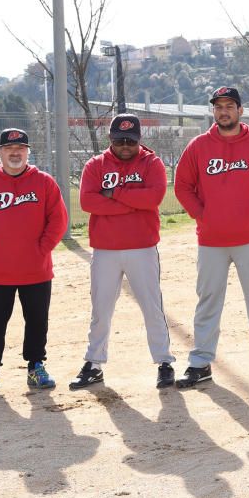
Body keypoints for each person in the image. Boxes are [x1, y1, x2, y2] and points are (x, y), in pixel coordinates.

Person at [173, 86, 249, 387]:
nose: (223, 111)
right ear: (214, 111)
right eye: (218, 106)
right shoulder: (198, 146)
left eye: (229, 106)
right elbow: (182, 185)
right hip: (211, 240)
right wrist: (202, 214)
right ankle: (201, 362)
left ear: (240, 110)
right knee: (208, 300)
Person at [69, 114, 176, 390]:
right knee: (101, 309)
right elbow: (88, 202)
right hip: (105, 249)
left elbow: (153, 198)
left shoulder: (152, 163)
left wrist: (113, 193)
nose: (126, 146)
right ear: (110, 140)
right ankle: (94, 364)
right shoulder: (95, 165)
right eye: (120, 141)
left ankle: (164, 362)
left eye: (131, 141)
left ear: (140, 140)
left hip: (142, 246)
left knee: (152, 307)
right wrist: (132, 201)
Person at [0, 128, 67, 396]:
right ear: (0, 153)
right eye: (9, 149)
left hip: (36, 269)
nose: (15, 153)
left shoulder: (44, 182)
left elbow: (58, 220)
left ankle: (35, 366)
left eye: (20, 149)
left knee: (37, 320)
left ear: (28, 152)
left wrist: (41, 249)